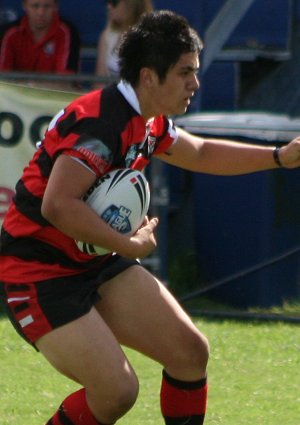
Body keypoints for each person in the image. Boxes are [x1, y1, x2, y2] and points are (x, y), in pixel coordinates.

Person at [0, 9, 300, 425]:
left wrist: (278, 157)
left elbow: (199, 152)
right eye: (184, 72)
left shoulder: (149, 120)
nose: (195, 83)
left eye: (194, 71)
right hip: (39, 272)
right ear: (148, 76)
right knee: (116, 392)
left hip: (94, 260)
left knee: (190, 353)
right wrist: (129, 244)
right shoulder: (100, 124)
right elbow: (58, 205)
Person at [0, 0, 80, 88]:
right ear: (24, 5)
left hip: (56, 97)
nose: (41, 12)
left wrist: (29, 86)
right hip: (15, 97)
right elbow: (2, 78)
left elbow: (66, 82)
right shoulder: (9, 33)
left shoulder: (67, 31)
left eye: (47, 6)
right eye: (35, 6)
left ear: (56, 6)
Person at [95, 0, 153, 79]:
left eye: (114, 3)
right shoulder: (107, 37)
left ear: (131, 5)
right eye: (108, 2)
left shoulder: (151, 39)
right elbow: (99, 82)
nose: (108, 7)